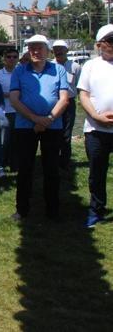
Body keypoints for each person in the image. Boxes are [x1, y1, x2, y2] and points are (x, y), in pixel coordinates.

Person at [9, 35, 69, 221]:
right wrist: (35, 119)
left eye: (39, 48)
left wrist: (48, 119)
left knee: (51, 169)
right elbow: (14, 99)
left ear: (47, 50)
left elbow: (64, 99)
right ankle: (22, 209)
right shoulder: (20, 71)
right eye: (31, 48)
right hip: (25, 127)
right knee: (25, 168)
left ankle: (52, 210)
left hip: (53, 126)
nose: (35, 51)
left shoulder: (58, 70)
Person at [77, 24, 113, 228]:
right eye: (110, 41)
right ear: (100, 45)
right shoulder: (91, 65)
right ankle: (96, 210)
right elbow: (84, 94)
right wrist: (96, 116)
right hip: (96, 130)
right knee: (96, 174)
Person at [52, 40, 82, 168]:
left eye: (61, 49)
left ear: (67, 51)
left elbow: (79, 86)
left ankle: (65, 161)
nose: (58, 51)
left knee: (66, 133)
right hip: (54, 103)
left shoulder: (75, 67)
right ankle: (52, 158)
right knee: (53, 132)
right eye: (55, 49)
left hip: (69, 104)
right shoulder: (50, 66)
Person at [0, 49, 19, 173]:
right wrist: (14, 94)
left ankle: (15, 164)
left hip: (19, 111)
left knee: (17, 141)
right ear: (4, 58)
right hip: (4, 111)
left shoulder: (21, 72)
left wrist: (12, 94)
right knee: (4, 140)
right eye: (9, 56)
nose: (11, 59)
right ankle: (1, 164)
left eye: (14, 57)